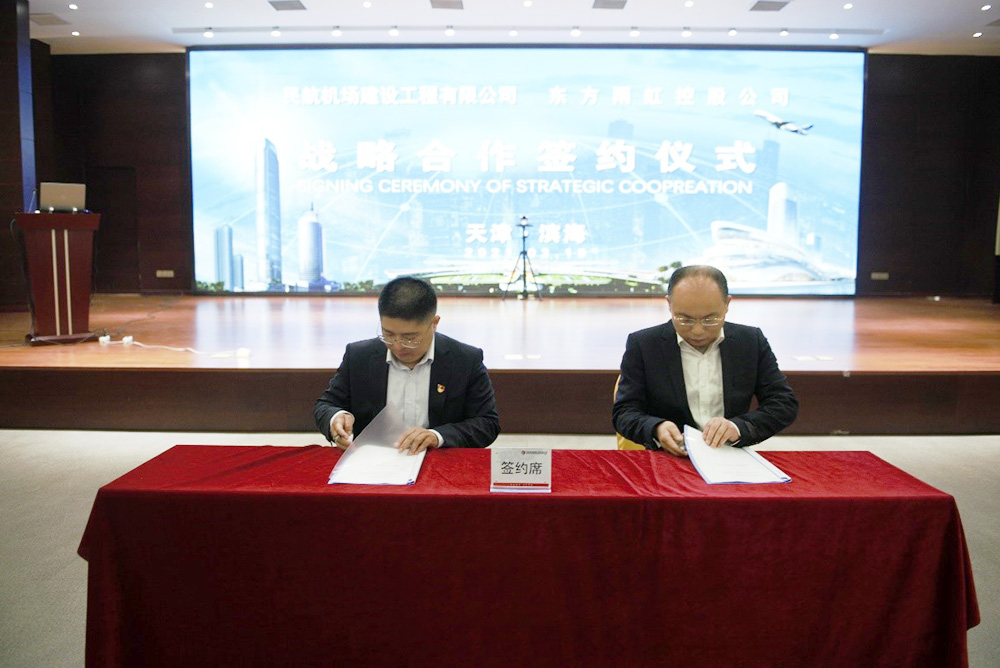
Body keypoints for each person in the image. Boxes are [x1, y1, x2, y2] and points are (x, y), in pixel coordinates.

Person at [612, 265, 798, 456]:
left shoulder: (750, 341)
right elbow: (624, 413)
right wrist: (656, 428)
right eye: (684, 319)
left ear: (727, 304)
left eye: (710, 319)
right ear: (669, 304)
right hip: (668, 457)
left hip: (729, 456)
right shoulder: (644, 345)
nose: (698, 330)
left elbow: (783, 403)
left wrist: (738, 427)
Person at [314, 276, 501, 455]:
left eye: (410, 338)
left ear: (434, 323)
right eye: (388, 334)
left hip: (436, 461)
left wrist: (437, 436)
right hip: (372, 461)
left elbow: (487, 424)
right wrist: (335, 417)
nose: (397, 346)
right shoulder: (359, 356)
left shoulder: (465, 359)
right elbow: (326, 405)